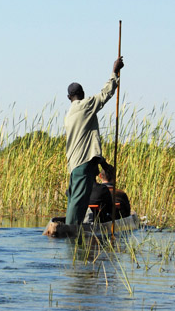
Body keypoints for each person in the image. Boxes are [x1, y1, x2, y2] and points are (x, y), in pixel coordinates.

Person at [64, 56, 124, 225]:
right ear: (82, 95)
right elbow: (106, 94)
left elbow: (88, 144)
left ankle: (71, 227)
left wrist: (103, 163)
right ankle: (71, 232)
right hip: (83, 165)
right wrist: (115, 71)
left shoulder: (68, 115)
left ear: (69, 97)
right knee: (78, 202)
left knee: (74, 199)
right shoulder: (85, 105)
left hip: (74, 164)